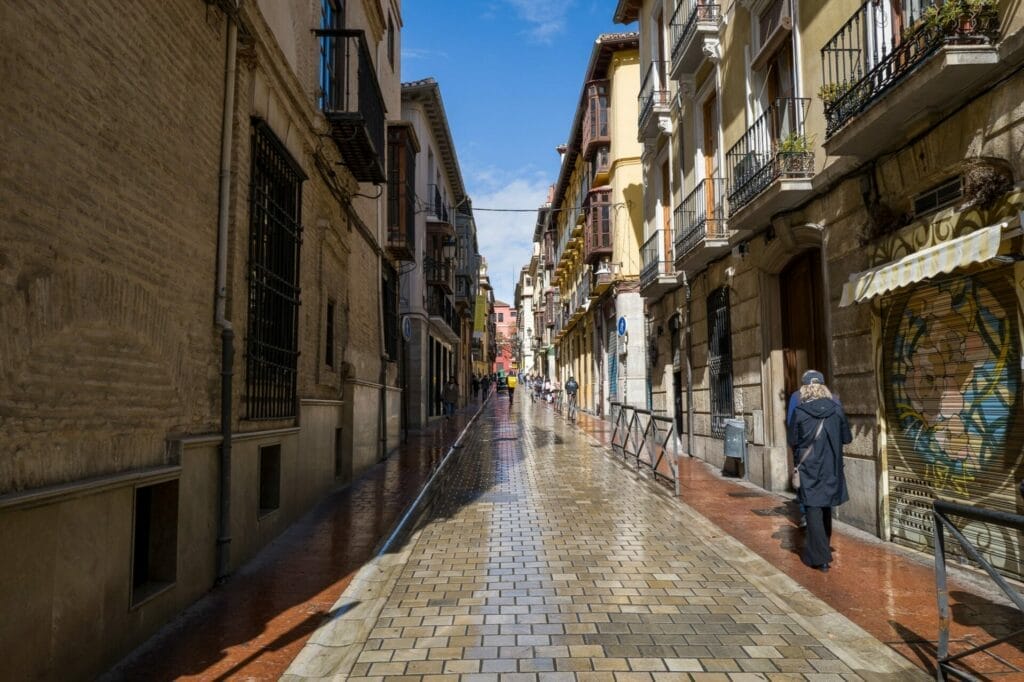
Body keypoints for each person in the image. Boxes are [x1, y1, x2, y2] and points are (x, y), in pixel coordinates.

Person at [788, 375, 852, 573]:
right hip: (831, 467)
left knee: (813, 509)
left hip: (809, 467)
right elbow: (847, 438)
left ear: (805, 389)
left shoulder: (799, 412)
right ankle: (822, 549)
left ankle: (820, 557)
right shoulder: (836, 410)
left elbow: (793, 439)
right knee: (825, 509)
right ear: (824, 387)